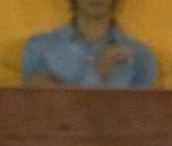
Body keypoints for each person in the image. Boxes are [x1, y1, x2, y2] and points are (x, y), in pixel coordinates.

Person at [21, 0, 157, 88]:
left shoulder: (141, 57)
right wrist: (97, 73)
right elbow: (31, 117)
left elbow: (142, 123)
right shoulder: (39, 49)